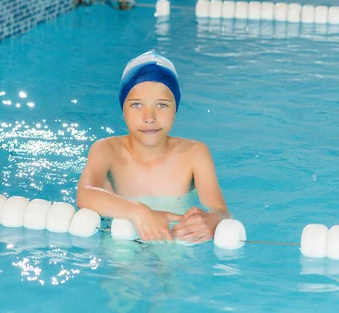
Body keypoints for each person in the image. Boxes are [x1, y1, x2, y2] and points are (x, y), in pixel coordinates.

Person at [76, 50, 229, 242]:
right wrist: (139, 212)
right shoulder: (107, 150)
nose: (149, 118)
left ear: (176, 109)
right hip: (121, 239)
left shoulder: (195, 153)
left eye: (162, 105)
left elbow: (221, 211)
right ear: (123, 110)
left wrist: (214, 219)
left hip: (174, 239)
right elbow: (85, 194)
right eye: (137, 105)